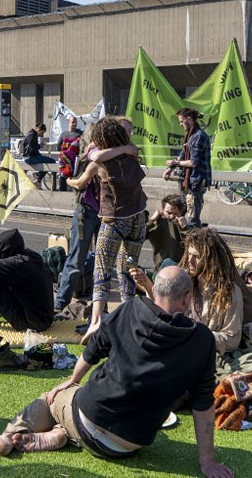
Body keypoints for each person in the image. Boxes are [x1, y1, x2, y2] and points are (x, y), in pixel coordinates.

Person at [0, 267, 232, 478]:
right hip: (127, 446)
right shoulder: (203, 340)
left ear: (155, 289)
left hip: (90, 414)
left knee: (50, 399)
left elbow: (94, 349)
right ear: (186, 298)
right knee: (73, 410)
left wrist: (71, 381)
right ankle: (60, 434)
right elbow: (203, 404)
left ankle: (8, 437)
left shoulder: (130, 309)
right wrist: (207, 461)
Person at [68, 118, 147, 343]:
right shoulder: (132, 153)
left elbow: (82, 181)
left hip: (114, 220)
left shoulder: (99, 164)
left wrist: (70, 181)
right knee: (128, 269)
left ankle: (96, 322)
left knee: (102, 270)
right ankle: (128, 318)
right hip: (138, 217)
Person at [54, 122, 138, 310]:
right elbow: (86, 164)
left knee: (103, 263)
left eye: (128, 131)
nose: (127, 134)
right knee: (78, 259)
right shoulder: (97, 152)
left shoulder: (126, 152)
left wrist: (71, 180)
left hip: (108, 215)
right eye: (124, 130)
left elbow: (86, 172)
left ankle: (100, 309)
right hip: (89, 211)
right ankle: (61, 304)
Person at [133, 228, 244, 355]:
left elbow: (232, 339)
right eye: (189, 254)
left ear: (211, 259)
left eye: (196, 256)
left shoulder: (229, 293)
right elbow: (162, 310)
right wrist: (147, 285)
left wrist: (197, 336)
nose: (190, 260)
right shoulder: (182, 281)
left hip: (204, 353)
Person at [166, 108, 210, 227]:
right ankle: (183, 239)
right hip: (187, 180)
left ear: (189, 119)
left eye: (181, 121)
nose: (180, 124)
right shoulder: (190, 135)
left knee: (192, 217)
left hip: (195, 181)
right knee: (180, 211)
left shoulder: (199, 136)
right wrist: (170, 168)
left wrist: (175, 164)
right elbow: (183, 153)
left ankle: (195, 241)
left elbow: (193, 162)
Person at [146, 194, 190, 271]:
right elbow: (140, 235)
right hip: (160, 267)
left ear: (181, 212)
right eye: (168, 213)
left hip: (180, 268)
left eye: (175, 213)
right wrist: (151, 221)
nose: (172, 216)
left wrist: (185, 228)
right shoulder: (158, 223)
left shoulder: (182, 224)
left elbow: (193, 244)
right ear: (162, 210)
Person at [56, 116, 84, 191]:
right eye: (72, 122)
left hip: (75, 160)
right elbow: (58, 146)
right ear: (68, 122)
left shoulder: (80, 134)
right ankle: (62, 191)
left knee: (74, 175)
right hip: (64, 160)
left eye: (75, 122)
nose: (74, 124)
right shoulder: (63, 134)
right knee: (63, 175)